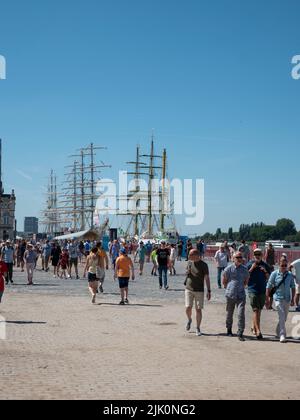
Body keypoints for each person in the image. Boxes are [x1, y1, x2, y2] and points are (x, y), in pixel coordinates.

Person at [266, 257, 296, 343]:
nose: (283, 267)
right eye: (282, 265)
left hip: (287, 299)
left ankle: (278, 329)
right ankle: (282, 335)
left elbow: (293, 287)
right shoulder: (274, 274)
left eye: (285, 265)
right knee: (282, 315)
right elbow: (268, 286)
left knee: (284, 318)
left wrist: (293, 299)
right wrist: (267, 299)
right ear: (279, 265)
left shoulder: (290, 275)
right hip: (277, 298)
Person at [223, 252, 250, 341]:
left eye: (240, 257)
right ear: (233, 258)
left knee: (241, 313)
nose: (239, 258)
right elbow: (224, 281)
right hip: (230, 294)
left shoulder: (245, 269)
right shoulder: (228, 269)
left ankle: (240, 331)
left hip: (241, 295)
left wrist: (241, 286)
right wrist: (229, 288)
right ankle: (229, 329)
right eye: (237, 257)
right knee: (229, 313)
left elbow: (246, 281)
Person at [185, 249, 211, 336]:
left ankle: (198, 327)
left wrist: (209, 290)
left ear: (196, 255)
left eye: (190, 254)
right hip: (189, 288)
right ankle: (189, 319)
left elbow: (207, 278)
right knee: (188, 307)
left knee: (198, 309)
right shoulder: (189, 263)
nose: (189, 256)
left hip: (199, 290)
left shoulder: (204, 265)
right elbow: (186, 273)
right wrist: (187, 272)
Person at [247, 249, 271, 340]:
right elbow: (245, 276)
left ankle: (253, 326)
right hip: (252, 289)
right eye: (255, 254)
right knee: (255, 310)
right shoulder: (249, 264)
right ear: (253, 255)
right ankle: (258, 331)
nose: (257, 256)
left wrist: (265, 271)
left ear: (262, 255)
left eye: (259, 254)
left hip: (262, 290)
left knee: (259, 311)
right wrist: (252, 268)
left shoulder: (265, 265)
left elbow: (269, 278)